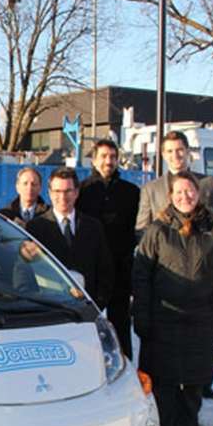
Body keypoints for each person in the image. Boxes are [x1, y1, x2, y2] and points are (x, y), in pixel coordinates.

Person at [132, 172, 213, 426]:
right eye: (178, 192)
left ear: (198, 194)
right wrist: (142, 317)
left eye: (189, 191)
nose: (184, 196)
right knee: (163, 386)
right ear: (170, 195)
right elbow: (141, 276)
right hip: (164, 321)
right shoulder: (158, 231)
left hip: (200, 322)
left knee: (193, 386)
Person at [135, 130, 213, 398]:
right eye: (169, 151)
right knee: (164, 373)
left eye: (179, 150)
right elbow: (141, 232)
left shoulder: (208, 184)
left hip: (200, 279)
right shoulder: (151, 189)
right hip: (166, 285)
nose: (175, 156)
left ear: (188, 152)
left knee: (194, 371)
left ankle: (199, 388)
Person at [77, 139, 140, 359]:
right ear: (94, 160)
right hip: (89, 269)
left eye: (112, 157)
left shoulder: (131, 192)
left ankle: (124, 365)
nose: (108, 161)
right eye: (103, 156)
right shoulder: (83, 190)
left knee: (120, 322)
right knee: (87, 323)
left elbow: (137, 228)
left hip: (120, 267)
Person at [26, 167, 114, 310]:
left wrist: (97, 304)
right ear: (49, 193)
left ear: (76, 193)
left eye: (68, 191)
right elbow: (25, 272)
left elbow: (105, 270)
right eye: (57, 191)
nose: (62, 197)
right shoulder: (35, 228)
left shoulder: (93, 227)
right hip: (48, 311)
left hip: (87, 311)